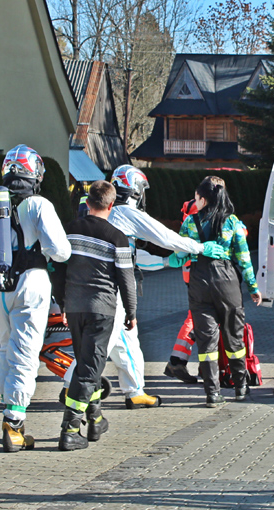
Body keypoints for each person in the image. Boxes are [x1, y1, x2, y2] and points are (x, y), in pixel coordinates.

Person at [61, 165, 225, 408]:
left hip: (93, 289)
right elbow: (164, 236)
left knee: (125, 343)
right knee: (98, 347)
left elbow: (132, 257)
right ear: (135, 190)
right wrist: (199, 248)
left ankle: (134, 391)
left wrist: (164, 261)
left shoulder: (107, 215)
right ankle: (70, 388)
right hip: (111, 293)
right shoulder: (126, 213)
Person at [0, 145, 71, 453]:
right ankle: (14, 423)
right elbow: (61, 250)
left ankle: (8, 402)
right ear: (35, 175)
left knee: (6, 345)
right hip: (31, 282)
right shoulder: (38, 205)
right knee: (26, 352)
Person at [56, 180, 137, 451]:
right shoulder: (117, 237)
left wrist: (62, 302)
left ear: (87, 202)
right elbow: (126, 280)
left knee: (86, 364)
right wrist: (132, 311)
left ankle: (96, 418)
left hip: (74, 307)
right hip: (101, 309)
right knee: (89, 369)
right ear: (111, 206)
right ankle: (70, 428)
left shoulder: (69, 230)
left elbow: (57, 268)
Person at [176, 176, 262, 407]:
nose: (195, 202)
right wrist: (253, 288)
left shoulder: (189, 223)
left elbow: (180, 254)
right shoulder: (233, 222)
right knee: (234, 337)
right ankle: (240, 387)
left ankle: (212, 394)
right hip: (227, 282)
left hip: (199, 281)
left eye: (196, 198)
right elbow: (244, 259)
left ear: (203, 199)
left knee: (206, 342)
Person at [164, 198, 204, 384]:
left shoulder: (189, 206)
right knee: (197, 317)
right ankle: (177, 362)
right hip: (200, 271)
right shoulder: (203, 208)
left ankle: (201, 365)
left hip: (190, 269)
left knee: (201, 317)